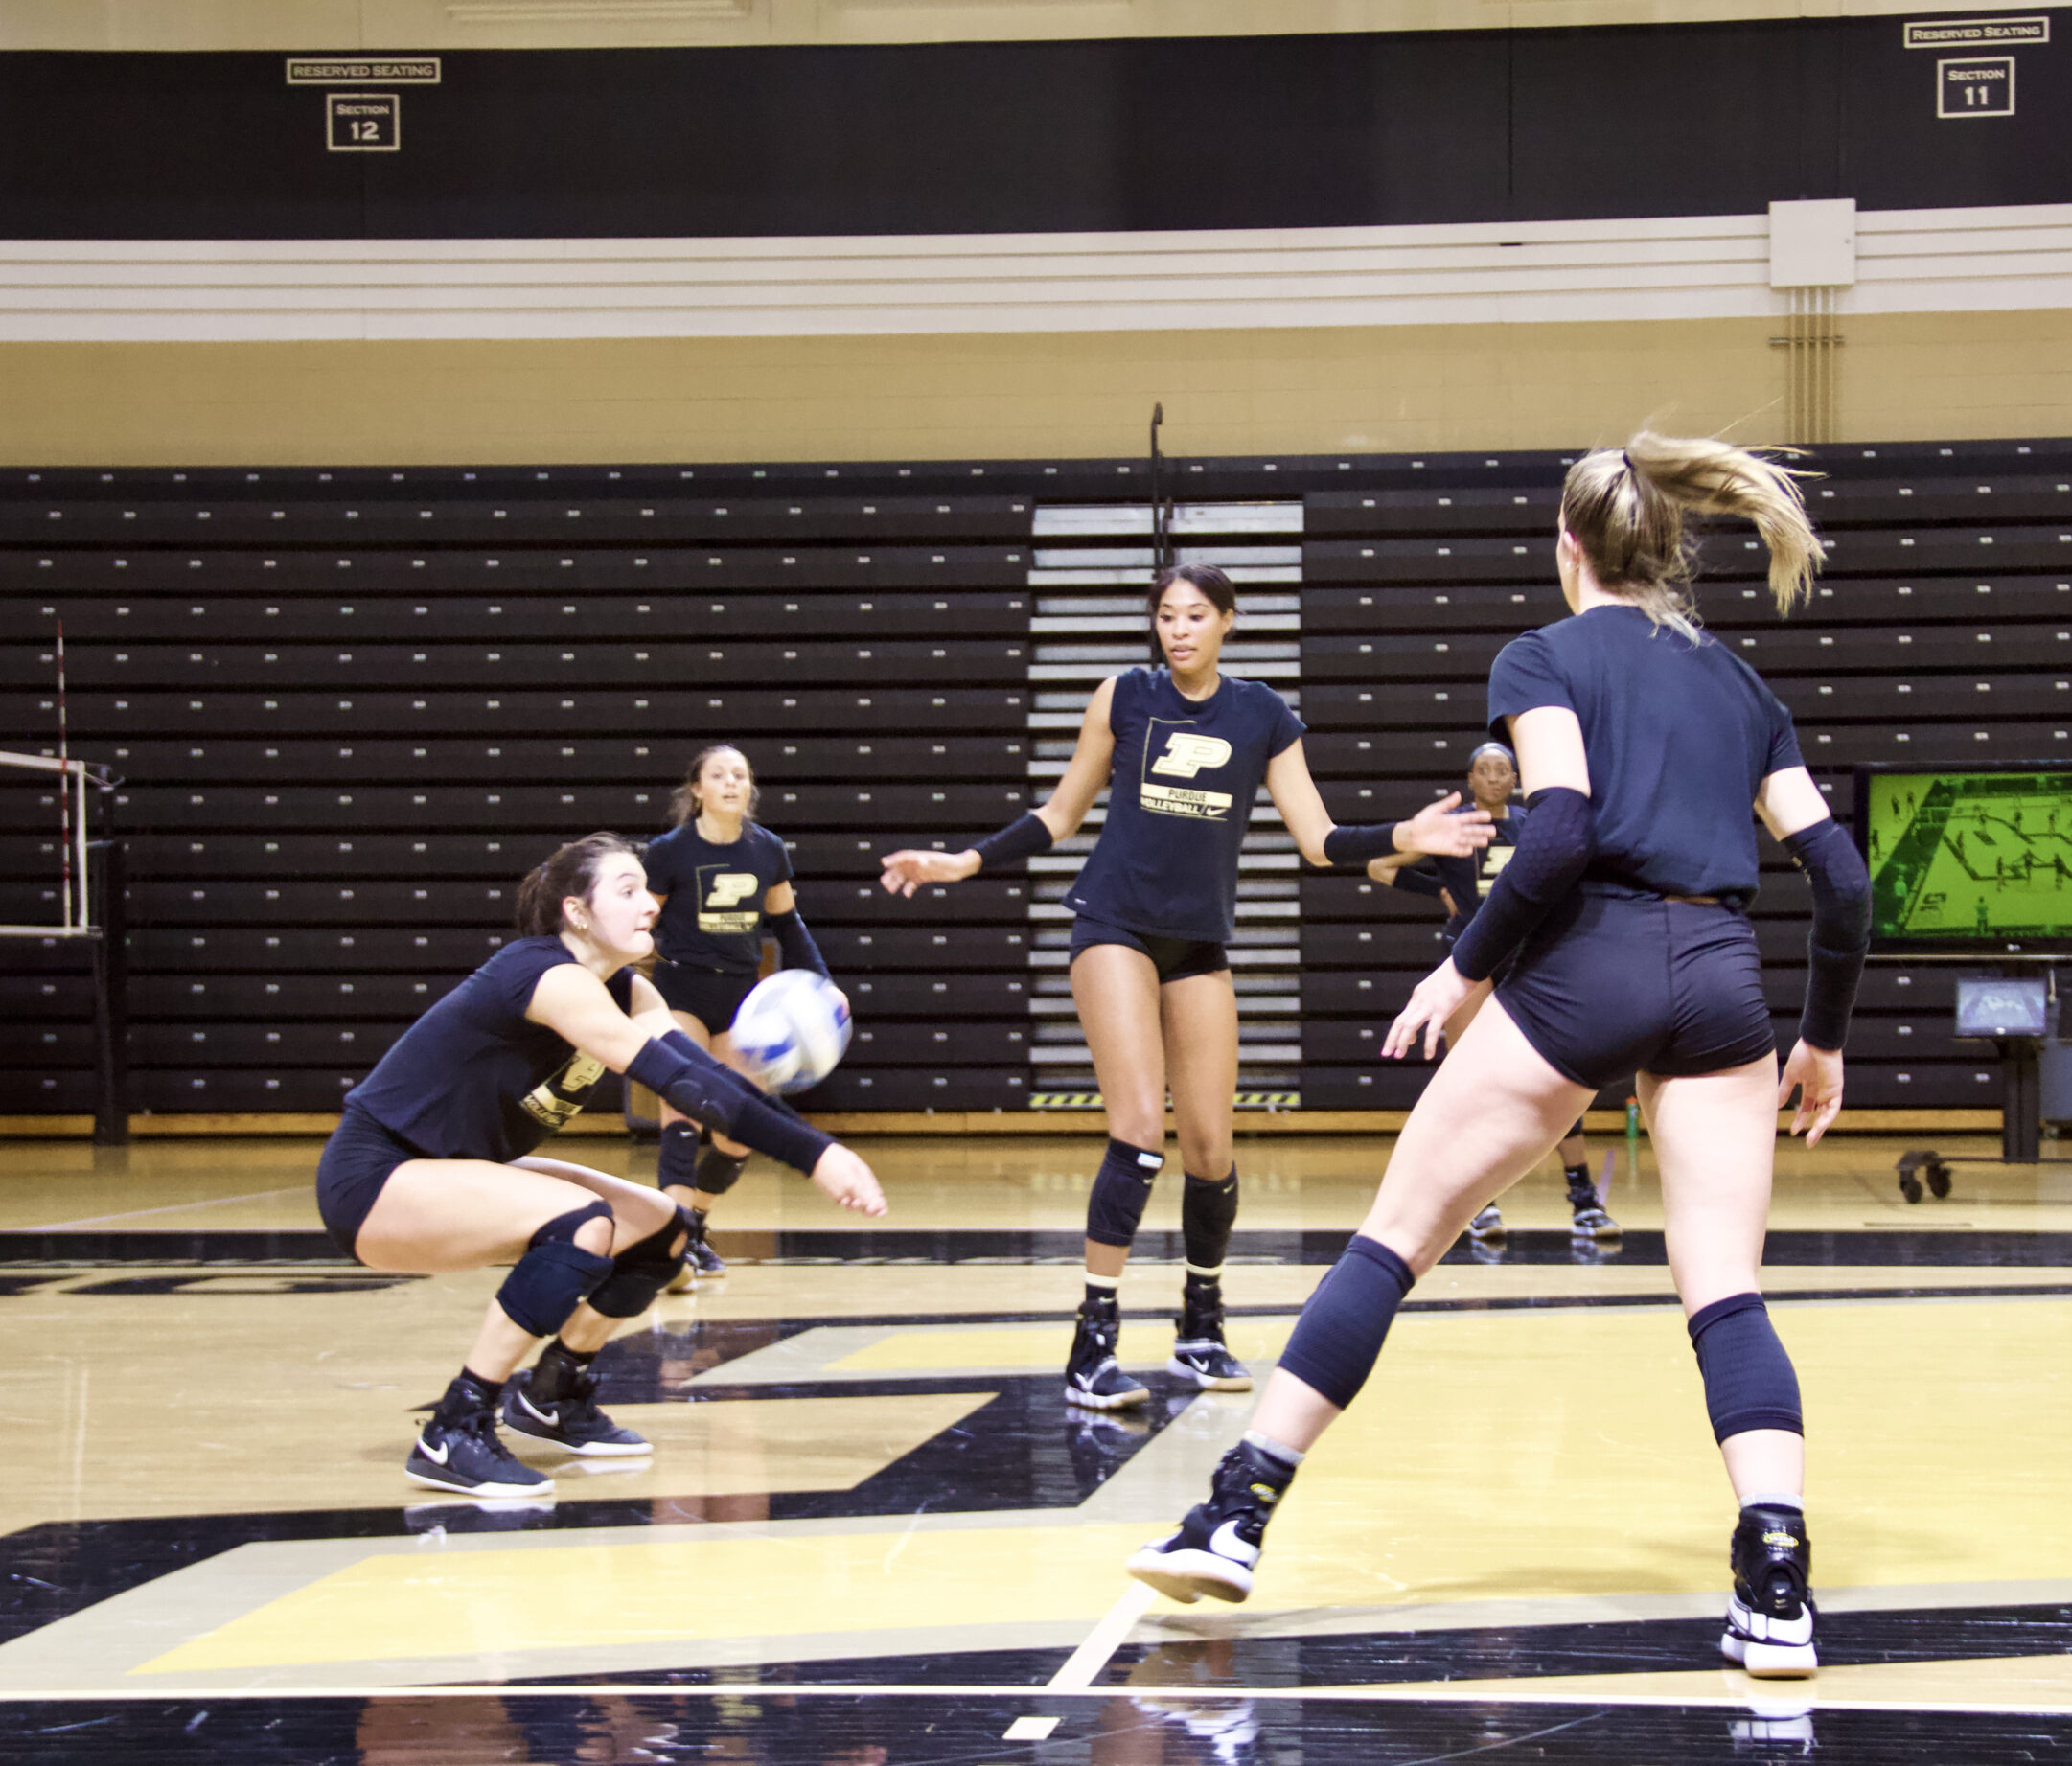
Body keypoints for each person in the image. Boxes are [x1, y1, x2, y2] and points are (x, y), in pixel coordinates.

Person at [1124, 433, 1869, 1682]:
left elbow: (1563, 828)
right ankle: (1779, 1571)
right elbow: (1841, 880)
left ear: (1569, 545)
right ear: (1669, 546)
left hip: (1593, 960)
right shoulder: (1743, 685)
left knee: (1394, 1238)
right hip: (1726, 979)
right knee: (1725, 1290)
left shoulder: (1547, 654)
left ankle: (1237, 1511)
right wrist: (1825, 1037)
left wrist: (1464, 968)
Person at [881, 563, 1491, 1411]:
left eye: (1195, 615)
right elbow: (1060, 816)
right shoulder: (1123, 696)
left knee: (1211, 1148)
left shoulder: (1263, 716)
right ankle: (1092, 1343)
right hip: (1113, 927)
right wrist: (965, 860)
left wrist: (1407, 835)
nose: (1177, 630)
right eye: (1165, 616)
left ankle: (1200, 1326)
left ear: (1228, 623)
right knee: (1138, 1134)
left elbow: (1318, 841)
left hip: (1197, 944)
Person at [315, 832, 886, 1499]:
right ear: (577, 912)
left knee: (666, 1229)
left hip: (449, 1175)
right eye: (627, 891)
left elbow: (718, 1084)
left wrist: (820, 1148)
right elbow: (681, 1086)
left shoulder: (631, 993)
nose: (650, 903)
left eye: (647, 888)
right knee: (582, 1223)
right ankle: (455, 1429)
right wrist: (817, 1155)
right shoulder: (549, 976)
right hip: (376, 1180)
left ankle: (554, 1392)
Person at [1370, 741, 1619, 1241]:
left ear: (1514, 779)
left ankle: (1584, 1198)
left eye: (1502, 770)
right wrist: (1435, 890)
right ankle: (1481, 1205)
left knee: (1556, 1079)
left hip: (1527, 957)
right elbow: (1379, 865)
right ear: (1470, 778)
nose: (1493, 777)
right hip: (1469, 960)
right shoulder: (1455, 825)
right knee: (1470, 1082)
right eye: (1483, 769)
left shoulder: (1530, 825)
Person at [639, 745, 833, 1288]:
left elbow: (789, 927)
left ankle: (694, 1224)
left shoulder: (766, 849)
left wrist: (824, 987)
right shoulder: (669, 852)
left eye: (740, 775)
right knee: (682, 1114)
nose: (731, 783)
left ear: (750, 789)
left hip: (740, 1000)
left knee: (736, 1136)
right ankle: (667, 1246)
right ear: (696, 789)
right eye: (718, 775)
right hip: (678, 991)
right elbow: (639, 923)